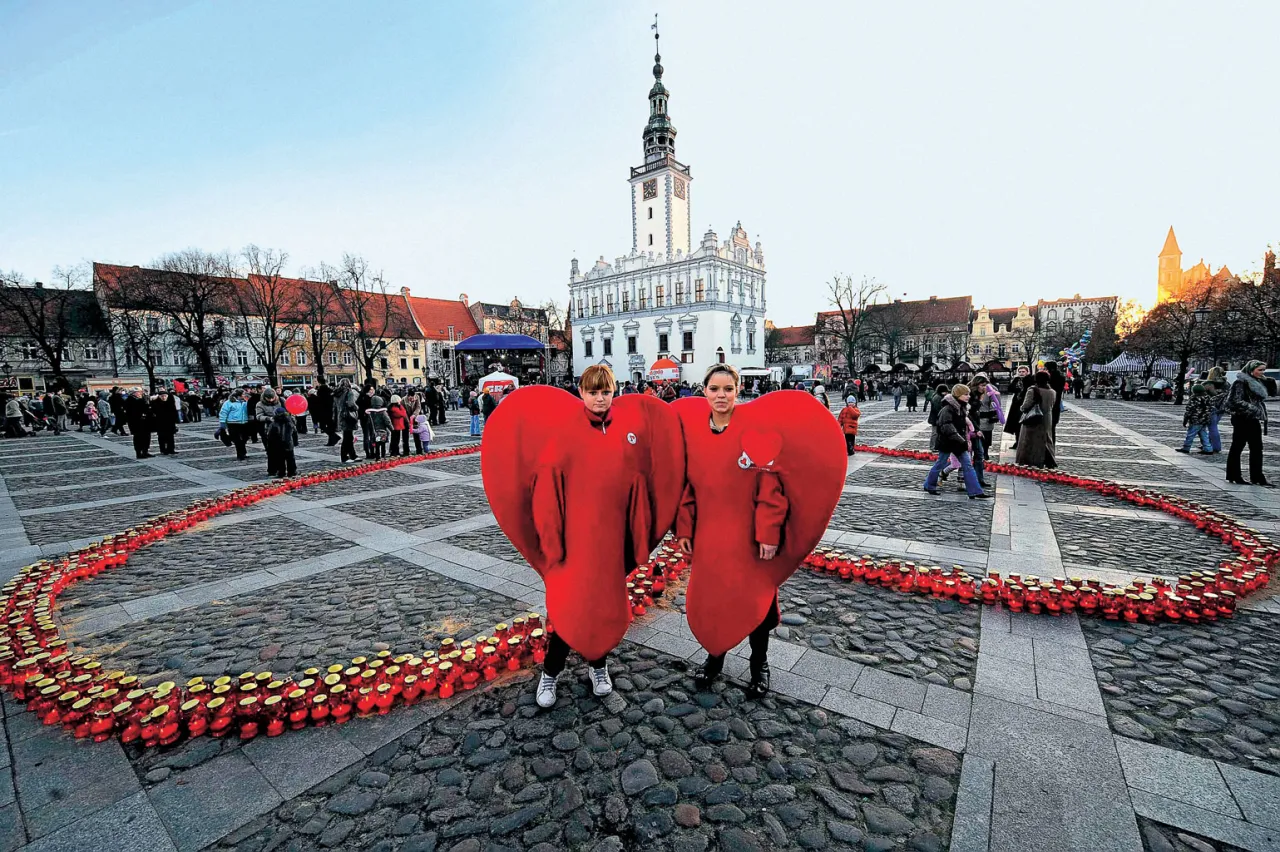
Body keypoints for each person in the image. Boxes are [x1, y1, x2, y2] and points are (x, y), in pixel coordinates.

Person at [528, 365, 674, 708]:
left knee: (604, 606)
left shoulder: (626, 431)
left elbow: (639, 483)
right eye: (593, 392)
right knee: (571, 607)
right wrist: (553, 544)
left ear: (614, 392)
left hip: (610, 541)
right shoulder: (565, 432)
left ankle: (598, 665)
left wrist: (637, 538)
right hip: (575, 542)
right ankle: (551, 672)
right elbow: (548, 492)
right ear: (582, 392)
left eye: (605, 391)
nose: (599, 398)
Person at [924, 384, 989, 499]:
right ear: (958, 395)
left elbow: (964, 424)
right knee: (941, 463)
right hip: (947, 442)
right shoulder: (947, 409)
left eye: (968, 394)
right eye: (966, 394)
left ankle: (975, 491)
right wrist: (962, 440)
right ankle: (929, 485)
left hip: (958, 442)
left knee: (968, 465)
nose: (968, 396)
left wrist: (968, 437)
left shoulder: (962, 407)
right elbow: (947, 427)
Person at [1226, 360, 1272, 487]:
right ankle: (1234, 475)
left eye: (1263, 370)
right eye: (1260, 370)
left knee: (1257, 448)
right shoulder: (1240, 382)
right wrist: (1253, 408)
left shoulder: (1257, 382)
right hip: (1242, 418)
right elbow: (1235, 400)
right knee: (1237, 447)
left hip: (1253, 419)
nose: (1262, 372)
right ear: (1251, 370)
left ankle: (1257, 476)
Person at [1015, 372, 1056, 468]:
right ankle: (1048, 460)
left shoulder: (1032, 390)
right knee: (1046, 439)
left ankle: (1030, 460)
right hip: (1047, 418)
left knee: (1029, 440)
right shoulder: (1052, 392)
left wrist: (1021, 408)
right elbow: (1052, 405)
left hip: (1033, 418)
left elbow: (1025, 406)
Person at [1177, 384, 1213, 454]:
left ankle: (1186, 448)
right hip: (1204, 419)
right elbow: (1210, 408)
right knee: (1203, 434)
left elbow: (1189, 410)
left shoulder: (1194, 398)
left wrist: (1185, 419)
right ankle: (1208, 448)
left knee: (1191, 434)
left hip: (1195, 419)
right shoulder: (1208, 397)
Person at [265, 407, 299, 477]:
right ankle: (292, 471)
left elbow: (270, 436)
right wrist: (295, 442)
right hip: (289, 442)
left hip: (278, 444)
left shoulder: (274, 423)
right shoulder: (290, 422)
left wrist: (269, 445)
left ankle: (281, 472)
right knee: (290, 458)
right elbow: (295, 432)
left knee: (280, 459)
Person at [219, 389, 251, 461]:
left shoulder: (245, 402)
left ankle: (243, 452)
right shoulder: (229, 402)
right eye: (243, 394)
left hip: (244, 422)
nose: (244, 395)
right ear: (238, 395)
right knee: (237, 440)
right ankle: (240, 455)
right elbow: (223, 412)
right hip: (233, 423)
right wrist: (222, 422)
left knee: (245, 438)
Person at [334, 380, 360, 464]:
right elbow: (351, 404)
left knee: (348, 436)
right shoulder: (349, 392)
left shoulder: (337, 393)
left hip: (340, 415)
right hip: (348, 416)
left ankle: (353, 455)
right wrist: (357, 407)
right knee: (347, 438)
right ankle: (344, 456)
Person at [1004, 366, 1030, 450]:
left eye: (1023, 371)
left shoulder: (1030, 380)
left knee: (1023, 424)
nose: (1021, 373)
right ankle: (1017, 441)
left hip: (1025, 404)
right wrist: (1016, 385)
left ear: (1027, 372)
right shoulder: (1016, 380)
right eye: (1020, 371)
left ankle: (1024, 442)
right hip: (1016, 405)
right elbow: (1010, 389)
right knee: (1015, 424)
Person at [151, 389, 179, 455]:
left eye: (165, 396)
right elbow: (153, 412)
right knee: (162, 437)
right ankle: (163, 450)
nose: (164, 397)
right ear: (159, 396)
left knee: (170, 437)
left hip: (170, 423)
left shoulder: (170, 402)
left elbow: (174, 412)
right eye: (162, 396)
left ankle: (171, 449)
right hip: (160, 423)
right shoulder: (156, 403)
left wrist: (175, 420)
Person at [366, 395, 392, 460]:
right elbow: (387, 421)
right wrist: (391, 428)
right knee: (383, 444)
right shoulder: (383, 412)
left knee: (377, 444)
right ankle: (383, 456)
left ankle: (377, 456)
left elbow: (369, 422)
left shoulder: (370, 413)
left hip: (375, 431)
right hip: (383, 431)